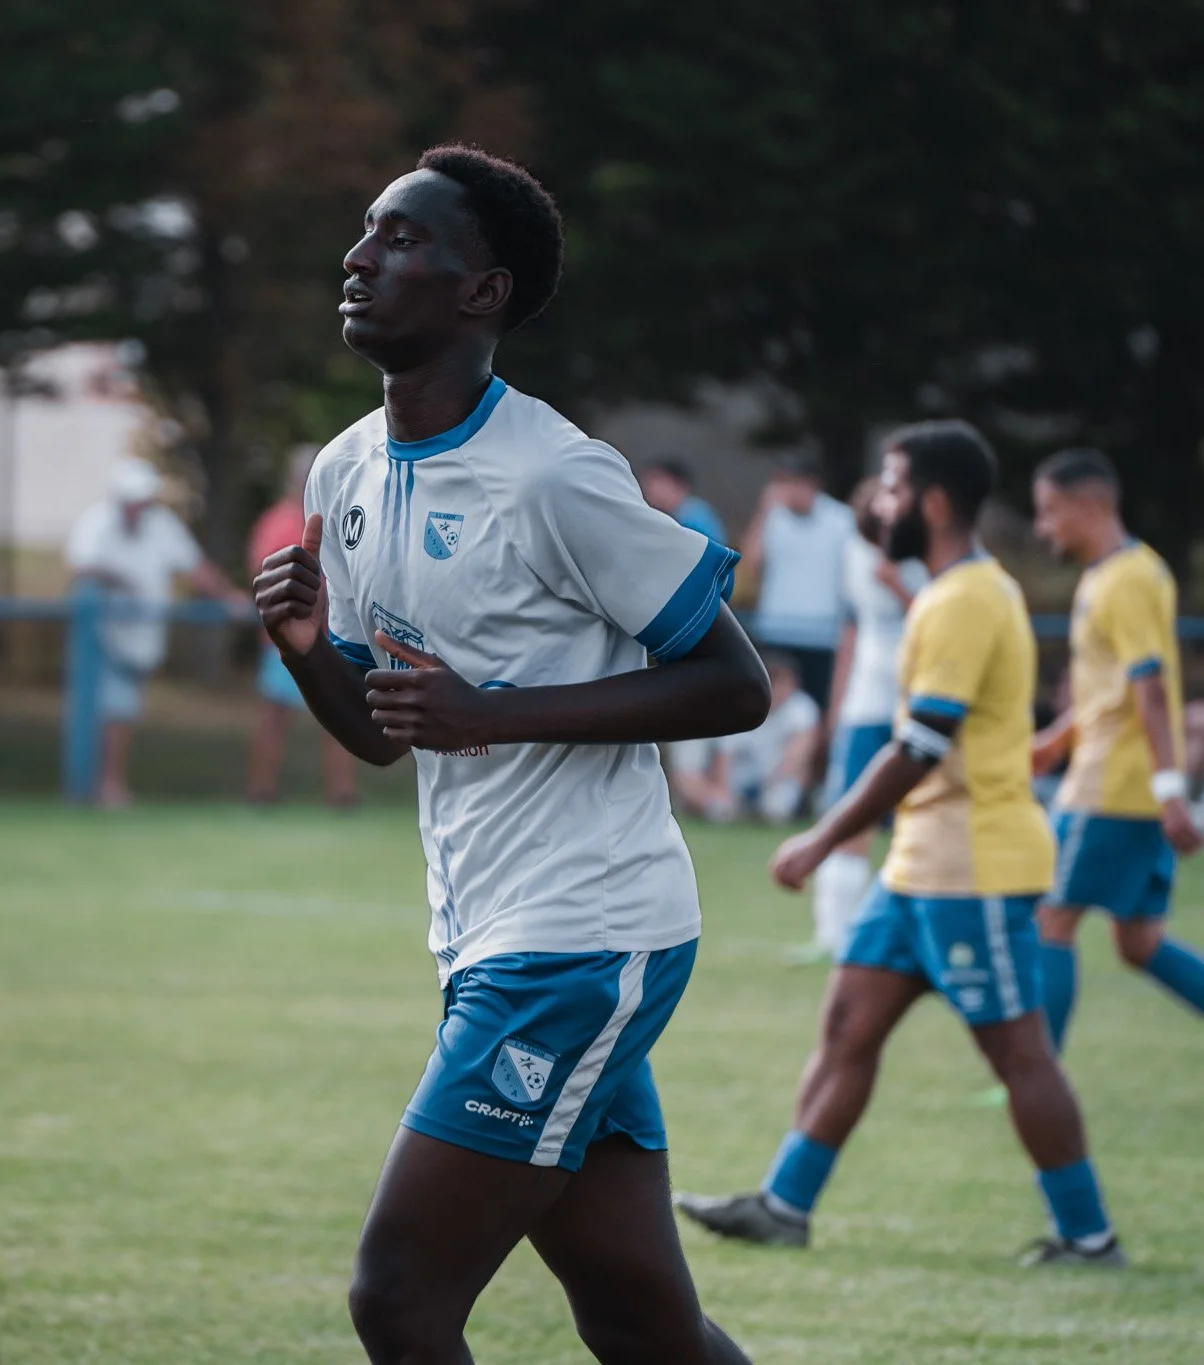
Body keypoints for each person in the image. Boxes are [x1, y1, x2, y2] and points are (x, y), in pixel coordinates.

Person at [254, 142, 766, 1365]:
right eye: (365, 230)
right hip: (487, 935)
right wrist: (305, 650)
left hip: (580, 938)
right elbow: (384, 737)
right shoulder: (346, 472)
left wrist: (498, 712)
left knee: (398, 1299)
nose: (358, 256)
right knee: (644, 1324)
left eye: (400, 238)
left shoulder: (554, 476)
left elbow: (732, 685)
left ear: (481, 293)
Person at [676, 420, 1127, 1269]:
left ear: (932, 501)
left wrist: (819, 838)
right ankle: (784, 1203)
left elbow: (919, 744)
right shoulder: (946, 590)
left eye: (887, 487)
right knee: (848, 1023)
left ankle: (1088, 1233)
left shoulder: (963, 598)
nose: (876, 505)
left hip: (975, 867)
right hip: (918, 863)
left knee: (1017, 1050)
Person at [1029, 448, 1204, 1051]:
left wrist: (1170, 789)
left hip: (1112, 786)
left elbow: (1150, 687)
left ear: (1090, 505)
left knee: (1050, 919)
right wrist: (1056, 740)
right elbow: (1115, 691)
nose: (1042, 527)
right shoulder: (1114, 574)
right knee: (1139, 941)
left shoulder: (1127, 578)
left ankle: (1036, 1075)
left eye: (1050, 512)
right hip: (1122, 781)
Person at [64, 456, 247, 808]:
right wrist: (119, 579)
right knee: (111, 711)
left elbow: (193, 568)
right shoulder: (96, 524)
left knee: (120, 712)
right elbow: (81, 568)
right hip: (101, 637)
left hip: (139, 639)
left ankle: (100, 787)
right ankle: (105, 788)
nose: (138, 508)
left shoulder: (161, 525)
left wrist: (228, 597)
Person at [810, 476, 929, 956]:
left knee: (920, 825)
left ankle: (915, 934)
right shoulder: (855, 554)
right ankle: (833, 938)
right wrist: (837, 707)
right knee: (847, 820)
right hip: (867, 704)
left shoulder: (928, 558)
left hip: (921, 704)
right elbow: (853, 631)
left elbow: (941, 618)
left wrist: (898, 585)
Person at [246, 445, 357, 807]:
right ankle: (262, 791)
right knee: (275, 718)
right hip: (283, 642)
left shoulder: (338, 517)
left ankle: (342, 794)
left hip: (332, 639)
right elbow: (263, 574)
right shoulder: (278, 522)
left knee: (340, 716)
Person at [742, 452, 853, 712]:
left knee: (818, 709)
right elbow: (750, 566)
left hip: (822, 635)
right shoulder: (773, 517)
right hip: (776, 630)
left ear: (811, 483)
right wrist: (763, 512)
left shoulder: (842, 520)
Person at [668, 651, 820, 823]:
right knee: (720, 808)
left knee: (778, 806)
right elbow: (724, 757)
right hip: (740, 780)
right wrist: (725, 794)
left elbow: (799, 753)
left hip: (774, 779)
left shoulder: (801, 708)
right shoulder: (743, 704)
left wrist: (774, 780)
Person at [638, 458, 729, 545]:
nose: (649, 489)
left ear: (675, 483)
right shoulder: (681, 513)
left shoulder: (692, 517)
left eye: (655, 481)